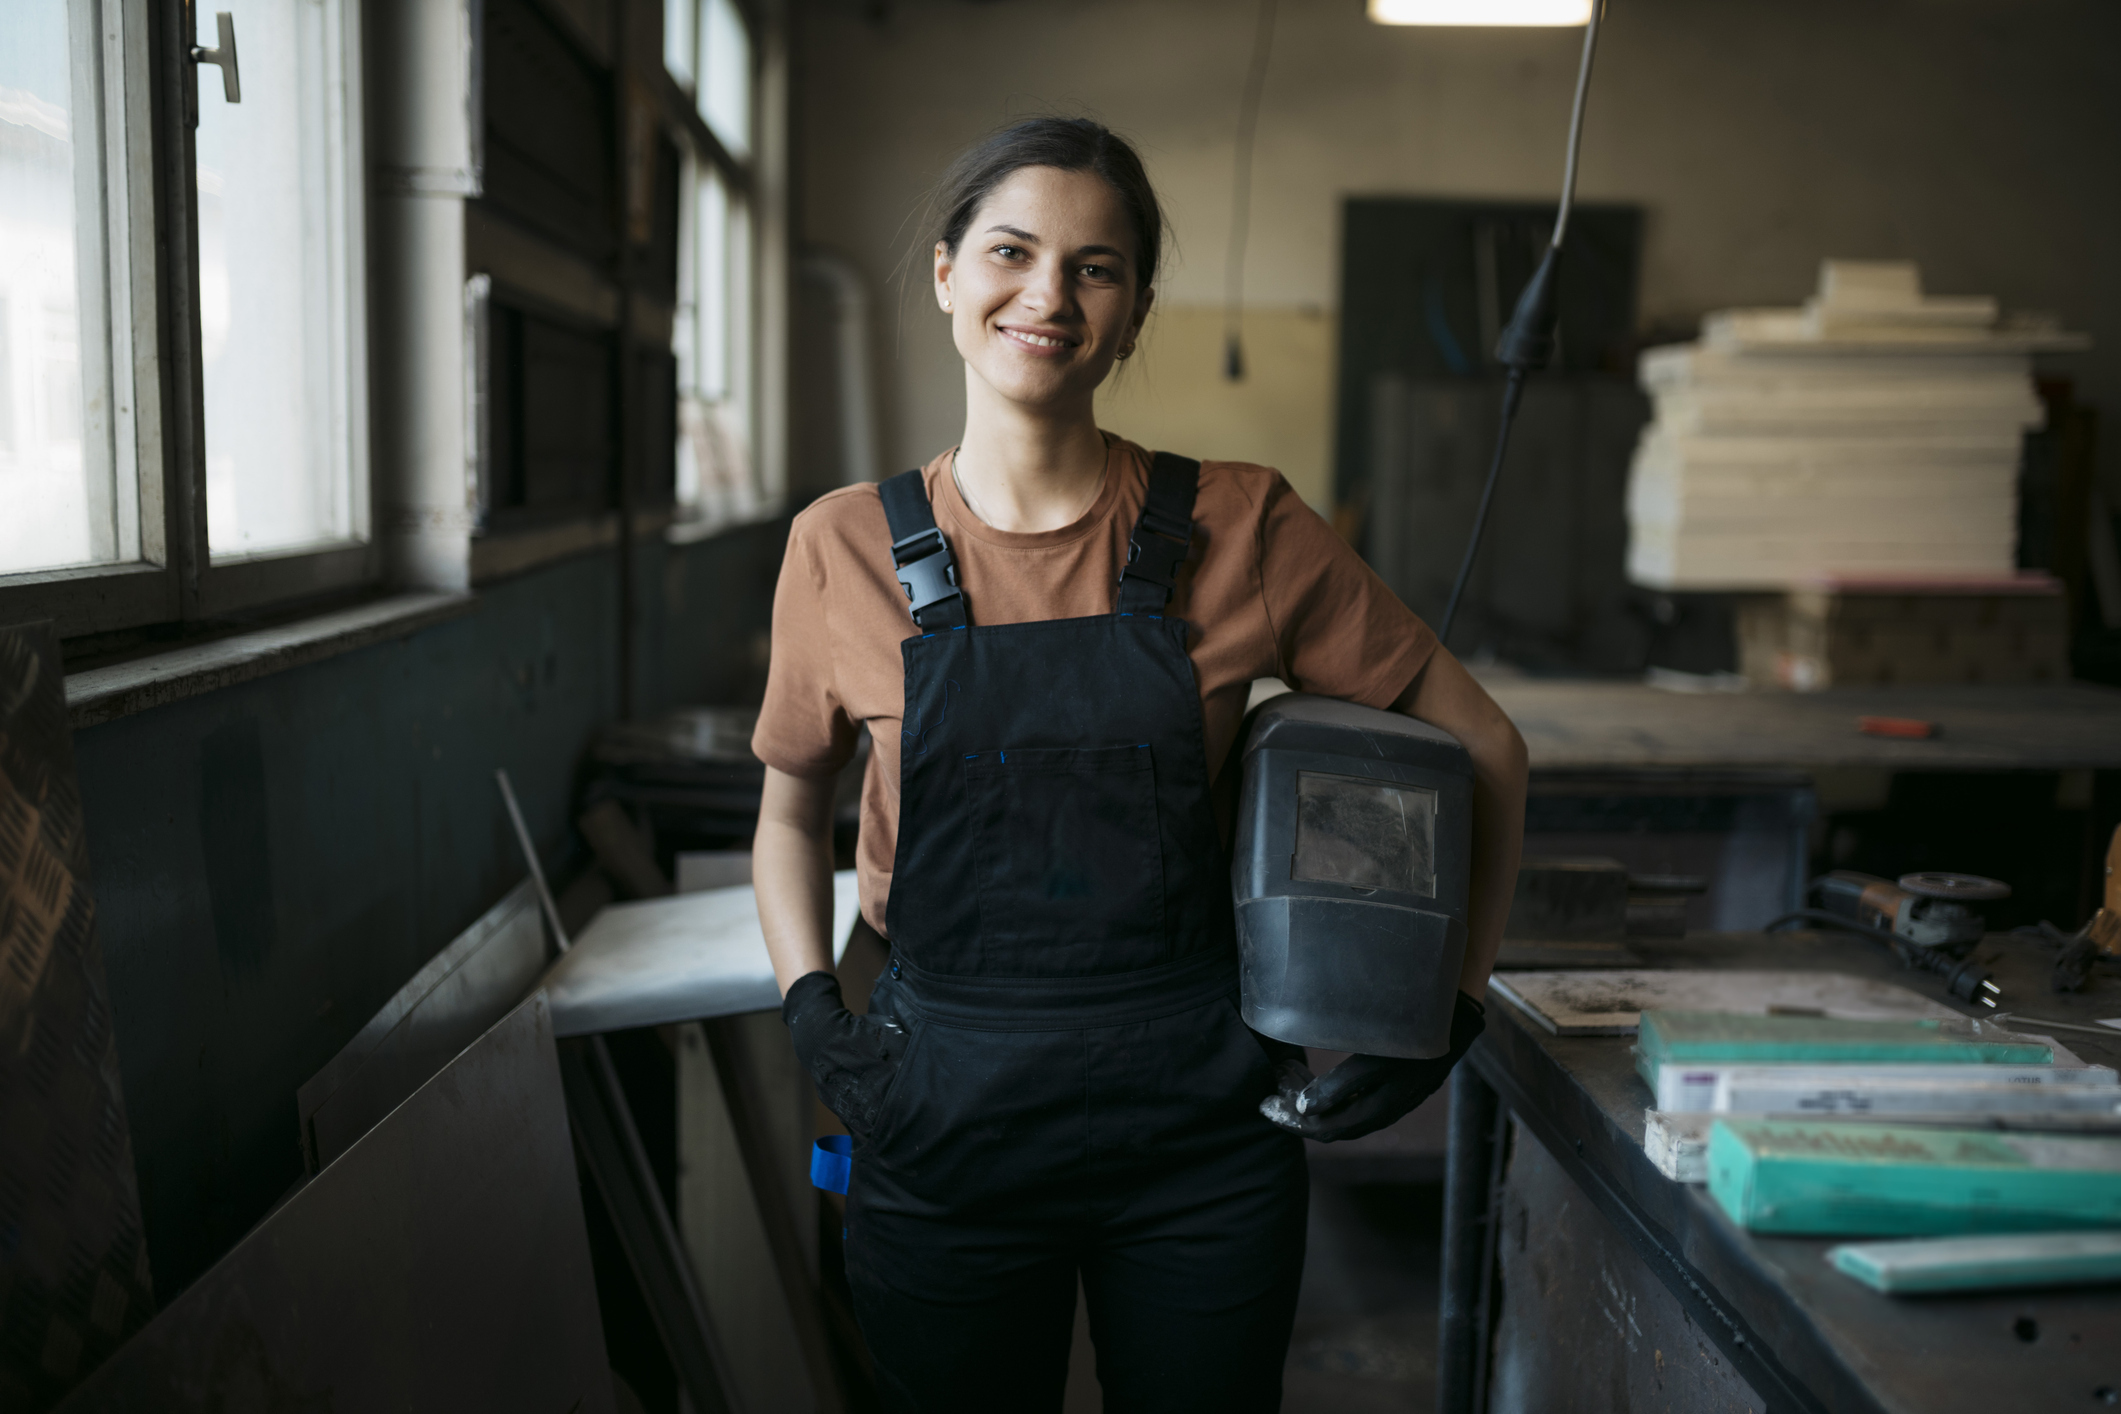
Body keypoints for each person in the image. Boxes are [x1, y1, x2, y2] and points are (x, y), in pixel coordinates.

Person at [752, 116, 1527, 1412]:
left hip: (1199, 1135)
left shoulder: (1243, 524)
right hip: (942, 1114)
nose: (1046, 295)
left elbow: (1485, 747)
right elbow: (788, 812)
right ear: (946, 271)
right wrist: (809, 1009)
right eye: (1011, 250)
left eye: (1094, 267)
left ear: (1132, 309)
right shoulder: (841, 545)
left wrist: (1447, 1004)